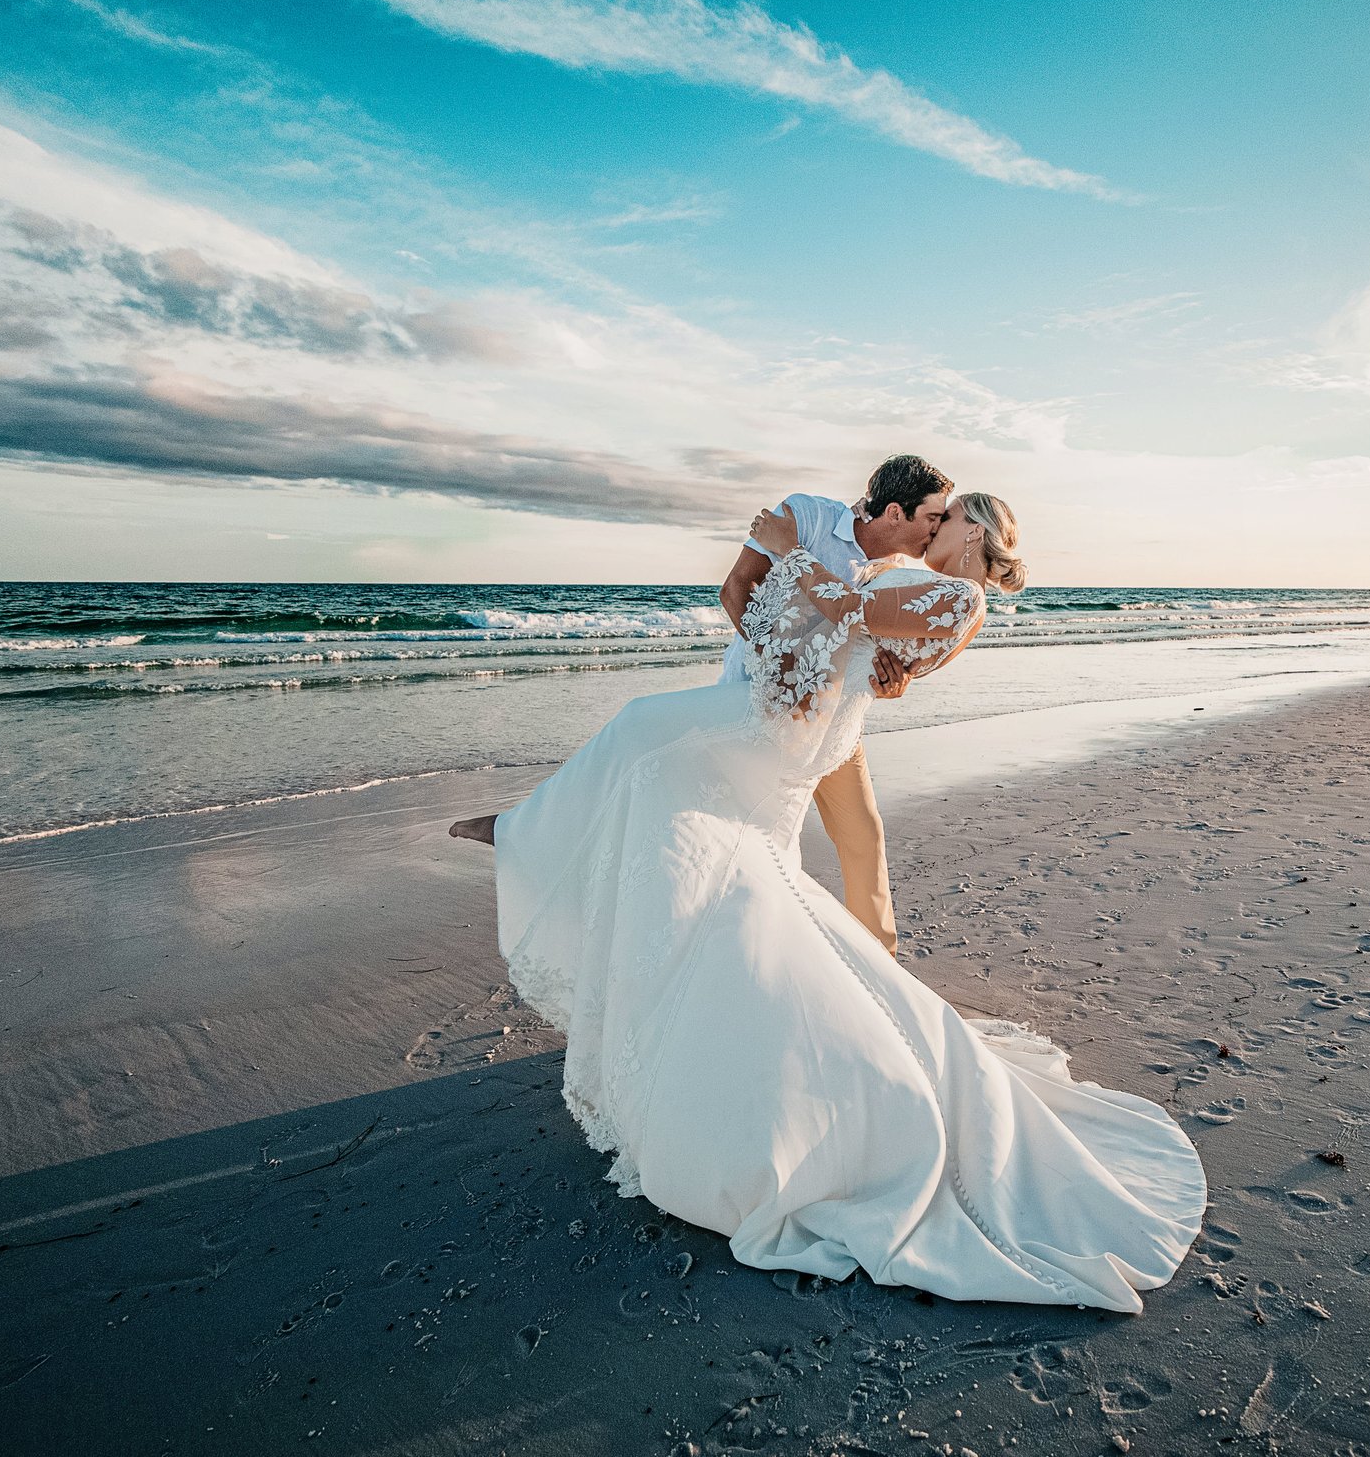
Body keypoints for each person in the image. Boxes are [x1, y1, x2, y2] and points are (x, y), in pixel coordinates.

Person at [451, 494, 1206, 1309]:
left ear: (974, 532)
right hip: (805, 721)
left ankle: (529, 832)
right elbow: (883, 657)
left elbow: (850, 609)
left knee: (644, 741)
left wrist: (785, 550)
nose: (930, 530)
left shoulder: (962, 597)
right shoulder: (935, 593)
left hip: (797, 734)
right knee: (671, 798)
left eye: (945, 520)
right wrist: (865, 645)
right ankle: (554, 850)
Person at [715, 455, 953, 953]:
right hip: (759, 708)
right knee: (759, 836)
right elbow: (736, 588)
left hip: (838, 721)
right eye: (932, 517)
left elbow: (877, 652)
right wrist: (780, 673)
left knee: (864, 837)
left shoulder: (894, 572)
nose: (938, 529)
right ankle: (751, 951)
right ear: (894, 513)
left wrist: (894, 681)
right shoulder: (805, 515)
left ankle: (881, 964)